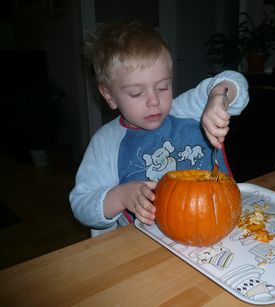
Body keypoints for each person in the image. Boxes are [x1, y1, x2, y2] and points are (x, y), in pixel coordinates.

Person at [69, 21, 249, 232]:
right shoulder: (106, 143)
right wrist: (120, 196)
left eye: (163, 87)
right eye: (137, 93)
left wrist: (219, 96)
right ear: (109, 96)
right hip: (144, 247)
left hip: (220, 226)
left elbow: (234, 80)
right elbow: (81, 205)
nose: (153, 101)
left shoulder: (187, 110)